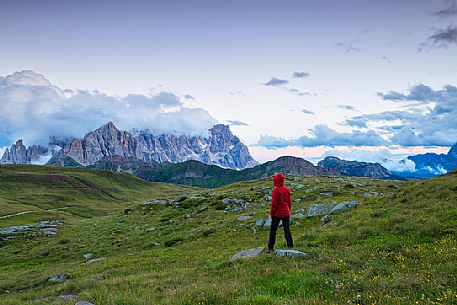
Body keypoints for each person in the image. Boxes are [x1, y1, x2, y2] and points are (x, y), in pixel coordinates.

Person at [267, 173, 294, 252]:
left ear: (276, 180)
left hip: (277, 214)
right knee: (287, 230)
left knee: (273, 230)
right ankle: (290, 245)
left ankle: (270, 247)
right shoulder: (287, 189)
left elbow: (274, 204)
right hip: (286, 212)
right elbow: (289, 202)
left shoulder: (275, 190)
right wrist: (288, 209)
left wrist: (272, 213)